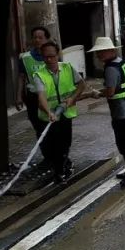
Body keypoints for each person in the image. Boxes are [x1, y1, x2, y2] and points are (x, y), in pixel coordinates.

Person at [34, 41, 89, 183]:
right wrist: (49, 112)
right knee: (52, 146)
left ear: (58, 54)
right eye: (45, 57)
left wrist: (72, 98)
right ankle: (59, 170)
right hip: (48, 117)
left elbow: (82, 84)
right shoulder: (39, 75)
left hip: (65, 114)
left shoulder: (67, 68)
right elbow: (41, 97)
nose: (49, 60)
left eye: (52, 56)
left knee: (65, 143)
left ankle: (61, 168)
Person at [89, 36, 125, 187]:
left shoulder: (110, 68)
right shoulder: (120, 62)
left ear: (111, 50)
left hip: (122, 111)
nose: (99, 56)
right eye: (98, 53)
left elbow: (110, 91)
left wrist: (98, 94)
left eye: (102, 52)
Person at [15, 26, 50, 164]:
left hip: (50, 97)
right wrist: (18, 96)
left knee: (53, 128)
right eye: (35, 37)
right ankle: (47, 157)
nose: (37, 40)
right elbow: (21, 77)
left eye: (40, 37)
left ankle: (59, 156)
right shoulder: (25, 58)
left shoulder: (53, 55)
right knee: (39, 128)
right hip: (33, 97)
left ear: (47, 39)